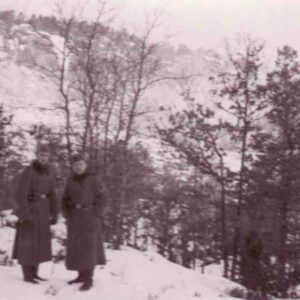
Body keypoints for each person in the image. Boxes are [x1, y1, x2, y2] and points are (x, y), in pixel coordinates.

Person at [12, 144, 58, 284]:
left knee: (39, 242)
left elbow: (52, 194)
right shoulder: (28, 171)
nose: (44, 158)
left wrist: (54, 213)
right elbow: (20, 195)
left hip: (43, 211)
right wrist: (24, 214)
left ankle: (35, 273)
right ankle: (27, 275)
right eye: (42, 155)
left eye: (46, 156)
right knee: (28, 242)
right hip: (30, 210)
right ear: (37, 155)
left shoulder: (49, 172)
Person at [62, 154, 106, 291]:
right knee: (78, 248)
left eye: (80, 164)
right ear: (73, 167)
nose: (78, 167)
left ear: (85, 165)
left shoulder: (93, 179)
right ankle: (80, 276)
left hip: (90, 217)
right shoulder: (70, 181)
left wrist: (97, 213)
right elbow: (64, 199)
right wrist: (68, 214)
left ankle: (88, 279)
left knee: (89, 248)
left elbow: (103, 197)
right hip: (75, 218)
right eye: (75, 165)